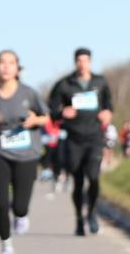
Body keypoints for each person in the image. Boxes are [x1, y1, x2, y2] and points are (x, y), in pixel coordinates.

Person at [0, 50, 49, 254]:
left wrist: (35, 121)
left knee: (19, 205)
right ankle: (6, 247)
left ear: (18, 68)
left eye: (11, 63)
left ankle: (21, 215)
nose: (6, 66)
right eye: (2, 62)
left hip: (27, 154)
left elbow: (46, 118)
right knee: (0, 203)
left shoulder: (29, 93)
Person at [47, 48, 113, 236]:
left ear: (90, 62)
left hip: (94, 137)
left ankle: (91, 213)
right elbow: (51, 109)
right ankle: (78, 218)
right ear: (75, 62)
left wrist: (108, 113)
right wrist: (61, 113)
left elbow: (109, 104)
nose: (82, 64)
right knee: (77, 181)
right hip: (73, 138)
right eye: (79, 60)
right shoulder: (64, 84)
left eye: (85, 60)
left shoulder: (100, 82)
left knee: (93, 177)